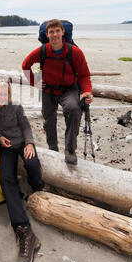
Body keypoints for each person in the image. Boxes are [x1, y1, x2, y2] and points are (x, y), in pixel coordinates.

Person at [0, 80, 44, 262]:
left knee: (32, 163)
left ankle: (38, 189)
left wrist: (29, 144)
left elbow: (26, 126)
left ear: (8, 96)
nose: (0, 97)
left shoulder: (16, 107)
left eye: (4, 94)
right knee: (5, 179)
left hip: (22, 143)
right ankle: (22, 227)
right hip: (7, 148)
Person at [22, 19, 93, 165]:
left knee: (74, 110)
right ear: (47, 35)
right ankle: (53, 148)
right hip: (48, 90)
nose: (54, 34)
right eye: (51, 32)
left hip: (69, 90)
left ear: (63, 32)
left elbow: (84, 75)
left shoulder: (75, 52)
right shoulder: (42, 51)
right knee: (49, 121)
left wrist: (86, 92)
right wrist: (34, 82)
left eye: (57, 31)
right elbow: (25, 65)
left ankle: (70, 150)